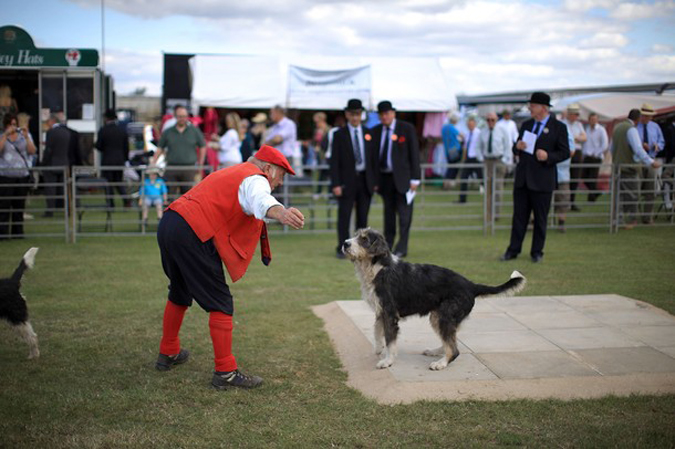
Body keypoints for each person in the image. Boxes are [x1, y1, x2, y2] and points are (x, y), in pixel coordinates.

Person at [155, 145, 305, 390]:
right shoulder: (256, 178)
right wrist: (282, 212)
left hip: (170, 222)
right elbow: (261, 199)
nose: (280, 182)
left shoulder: (234, 171)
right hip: (193, 231)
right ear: (267, 168)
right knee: (221, 302)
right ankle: (225, 370)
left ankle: (168, 351)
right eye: (281, 175)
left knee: (179, 290)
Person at [500, 92, 570, 263]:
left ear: (544, 108)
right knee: (519, 218)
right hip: (523, 179)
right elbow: (516, 148)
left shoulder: (558, 127)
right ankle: (513, 250)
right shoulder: (526, 125)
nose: (530, 108)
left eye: (533, 105)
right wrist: (518, 147)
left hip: (543, 180)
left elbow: (565, 152)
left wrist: (548, 156)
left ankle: (537, 251)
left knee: (540, 219)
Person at [329, 99, 377, 259]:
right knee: (344, 216)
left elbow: (373, 159)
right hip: (346, 181)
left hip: (365, 180)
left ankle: (360, 248)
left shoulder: (368, 133)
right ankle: (341, 247)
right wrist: (335, 183)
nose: (355, 117)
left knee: (363, 217)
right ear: (347, 114)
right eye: (352, 114)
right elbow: (334, 161)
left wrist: (374, 181)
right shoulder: (338, 134)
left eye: (358, 114)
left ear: (361, 114)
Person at [372, 100, 420, 257]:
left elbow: (414, 154)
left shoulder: (406, 129)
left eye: (387, 113)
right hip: (385, 179)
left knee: (405, 216)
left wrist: (415, 179)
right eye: (381, 114)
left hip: (404, 179)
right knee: (389, 216)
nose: (384, 117)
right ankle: (388, 247)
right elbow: (374, 158)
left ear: (393, 113)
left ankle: (402, 247)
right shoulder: (376, 131)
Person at [612, 109, 662, 229]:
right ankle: (631, 220)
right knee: (632, 195)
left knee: (619, 196)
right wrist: (650, 162)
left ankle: (617, 220)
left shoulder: (617, 128)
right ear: (638, 119)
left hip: (617, 166)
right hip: (629, 167)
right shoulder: (631, 129)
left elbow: (612, 148)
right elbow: (638, 149)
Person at [153, 105, 206, 196]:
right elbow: (160, 148)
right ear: (175, 117)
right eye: (180, 116)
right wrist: (153, 162)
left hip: (188, 169)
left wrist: (200, 164)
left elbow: (202, 146)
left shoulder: (194, 131)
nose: (182, 119)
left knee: (187, 196)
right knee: (170, 194)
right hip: (171, 168)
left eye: (184, 116)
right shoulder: (168, 131)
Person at [0, 114, 36, 239]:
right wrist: (5, 135)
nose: (13, 127)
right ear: (5, 126)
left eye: (15, 124)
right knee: (4, 205)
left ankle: (18, 233)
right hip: (5, 176)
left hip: (22, 176)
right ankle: (3, 233)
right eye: (10, 124)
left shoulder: (24, 136)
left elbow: (32, 151)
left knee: (19, 205)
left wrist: (26, 137)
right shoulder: (2, 137)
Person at [42, 113, 82, 217]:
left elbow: (49, 150)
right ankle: (68, 209)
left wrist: (43, 163)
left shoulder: (51, 132)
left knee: (51, 188)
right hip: (64, 163)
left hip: (52, 164)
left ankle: (50, 210)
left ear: (52, 121)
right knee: (65, 188)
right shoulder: (66, 132)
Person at [478, 112, 511, 222]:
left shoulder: (502, 130)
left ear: (496, 120)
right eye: (488, 120)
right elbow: (478, 147)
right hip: (487, 161)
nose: (490, 122)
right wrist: (481, 159)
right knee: (488, 188)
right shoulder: (483, 131)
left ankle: (497, 213)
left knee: (498, 188)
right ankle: (488, 214)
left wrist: (505, 160)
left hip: (499, 160)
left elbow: (508, 145)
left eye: (492, 120)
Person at [636, 103, 665, 224]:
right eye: (647, 116)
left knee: (651, 191)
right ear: (642, 115)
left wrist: (657, 146)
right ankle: (634, 216)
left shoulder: (655, 127)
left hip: (652, 160)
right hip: (638, 161)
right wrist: (641, 145)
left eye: (650, 116)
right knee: (636, 190)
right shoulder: (635, 126)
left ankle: (648, 217)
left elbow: (661, 141)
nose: (649, 118)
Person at [95, 109, 131, 209]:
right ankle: (126, 200)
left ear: (106, 118)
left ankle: (110, 203)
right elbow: (126, 147)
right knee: (118, 181)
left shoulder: (103, 130)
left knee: (108, 183)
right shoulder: (121, 130)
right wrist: (125, 159)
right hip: (119, 160)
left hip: (107, 160)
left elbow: (99, 146)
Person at [562, 104, 586, 211]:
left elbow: (584, 137)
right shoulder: (562, 124)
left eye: (577, 114)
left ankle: (572, 201)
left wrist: (574, 138)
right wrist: (575, 139)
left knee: (575, 178)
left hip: (577, 153)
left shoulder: (579, 125)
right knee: (565, 177)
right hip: (566, 152)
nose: (576, 117)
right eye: (574, 114)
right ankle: (564, 202)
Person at [580, 113, 609, 202]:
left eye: (594, 119)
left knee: (593, 177)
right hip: (587, 156)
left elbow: (605, 144)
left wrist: (596, 153)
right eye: (591, 119)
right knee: (584, 177)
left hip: (596, 157)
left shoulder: (601, 130)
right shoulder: (587, 129)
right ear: (589, 120)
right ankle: (596, 192)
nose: (593, 121)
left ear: (597, 120)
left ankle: (591, 198)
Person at [265, 105, 299, 175]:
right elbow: (267, 142)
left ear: (278, 113)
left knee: (283, 182)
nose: (270, 116)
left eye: (272, 113)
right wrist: (271, 142)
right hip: (276, 158)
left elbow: (277, 139)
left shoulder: (289, 124)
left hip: (285, 158)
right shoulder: (275, 126)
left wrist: (270, 142)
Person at [457, 117, 482, 203]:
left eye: (471, 124)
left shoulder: (479, 133)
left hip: (476, 158)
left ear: (474, 124)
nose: (470, 126)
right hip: (468, 158)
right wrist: (464, 159)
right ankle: (462, 199)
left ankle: (489, 196)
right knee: (463, 178)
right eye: (468, 125)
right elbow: (465, 147)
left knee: (482, 178)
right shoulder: (467, 134)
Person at [441, 113, 462, 186]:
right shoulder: (452, 127)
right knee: (454, 167)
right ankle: (449, 183)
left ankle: (446, 182)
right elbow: (460, 135)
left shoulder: (444, 128)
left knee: (450, 166)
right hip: (454, 150)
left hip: (447, 150)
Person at [659, 116, 675, 210]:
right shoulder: (669, 129)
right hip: (670, 160)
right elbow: (669, 145)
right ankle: (667, 202)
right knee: (667, 183)